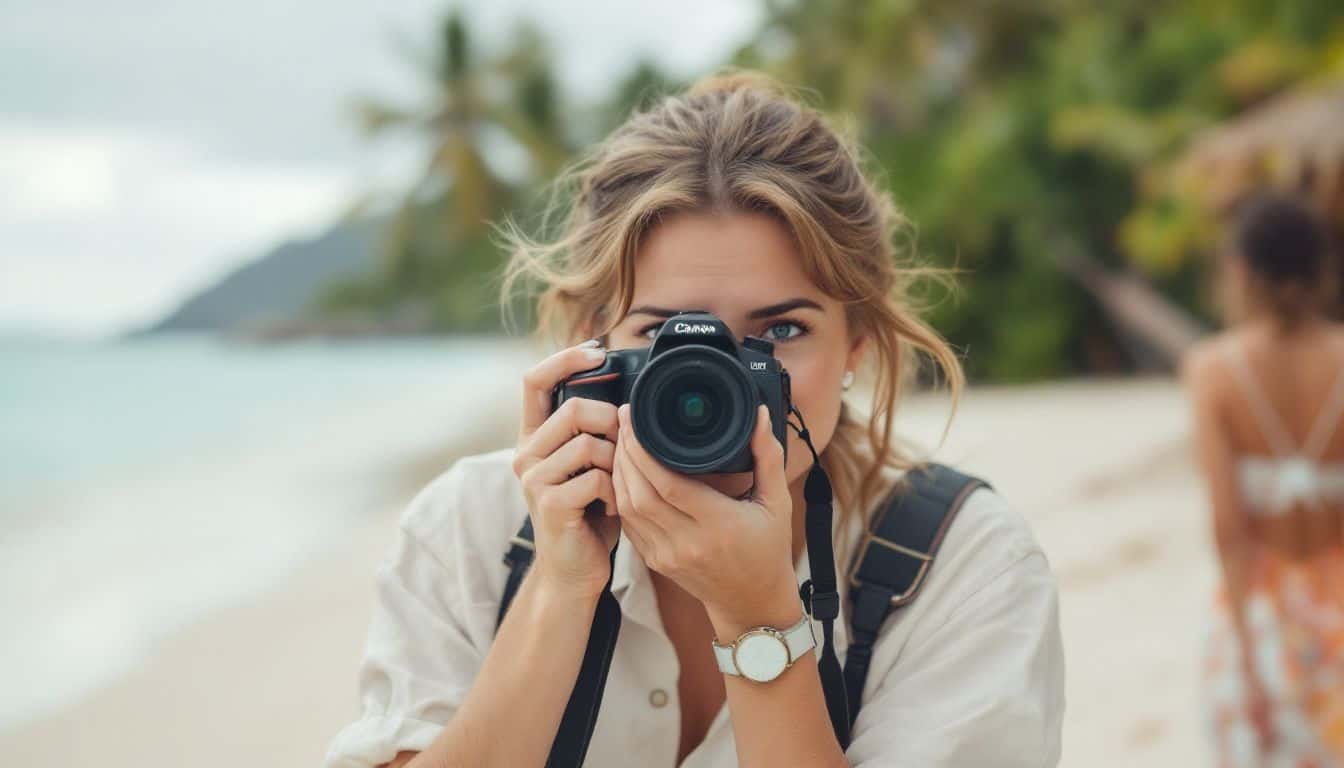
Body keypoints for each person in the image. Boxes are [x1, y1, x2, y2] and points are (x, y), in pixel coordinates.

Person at [324, 71, 1065, 768]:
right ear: (592, 342)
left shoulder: (956, 565)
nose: (715, 382)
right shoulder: (471, 530)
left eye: (779, 333)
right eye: (661, 334)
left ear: (856, 347)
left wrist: (759, 621)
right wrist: (556, 587)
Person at [1183, 193, 1344, 765]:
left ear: (1241, 270)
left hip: (1263, 613)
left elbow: (1227, 526)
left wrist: (1249, 659)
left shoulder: (1214, 371)